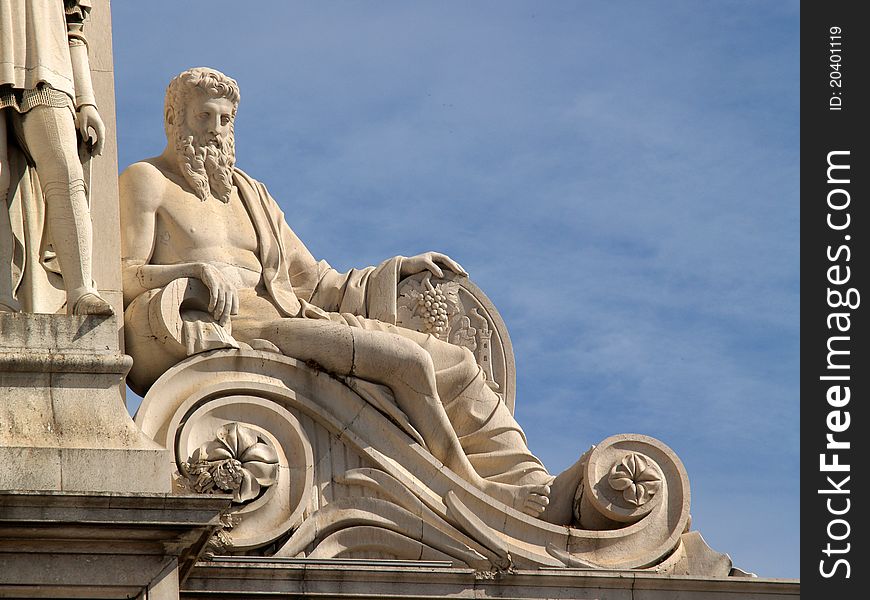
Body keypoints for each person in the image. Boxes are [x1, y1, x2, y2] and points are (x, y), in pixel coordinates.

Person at [120, 67, 584, 522]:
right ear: (173, 119)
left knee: (457, 363)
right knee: (408, 364)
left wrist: (398, 271)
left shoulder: (250, 195)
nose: (216, 132)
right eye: (204, 118)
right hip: (243, 329)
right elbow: (120, 276)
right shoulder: (147, 181)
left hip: (300, 319)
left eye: (225, 121)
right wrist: (190, 271)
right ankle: (475, 491)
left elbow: (318, 283)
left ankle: (531, 483)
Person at [0, 0, 112, 315]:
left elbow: (74, 26)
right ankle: (1, 298)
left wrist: (86, 100)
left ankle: (81, 291)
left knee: (65, 173)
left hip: (46, 66)